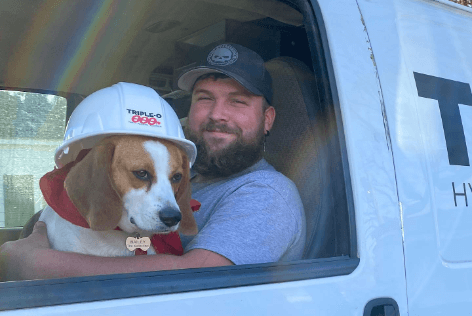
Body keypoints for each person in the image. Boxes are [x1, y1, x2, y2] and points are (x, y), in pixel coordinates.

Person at [0, 43, 306, 281]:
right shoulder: (182, 172)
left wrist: (34, 264)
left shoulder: (267, 193)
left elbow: (194, 279)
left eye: (238, 101)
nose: (216, 114)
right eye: (204, 98)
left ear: (267, 119)